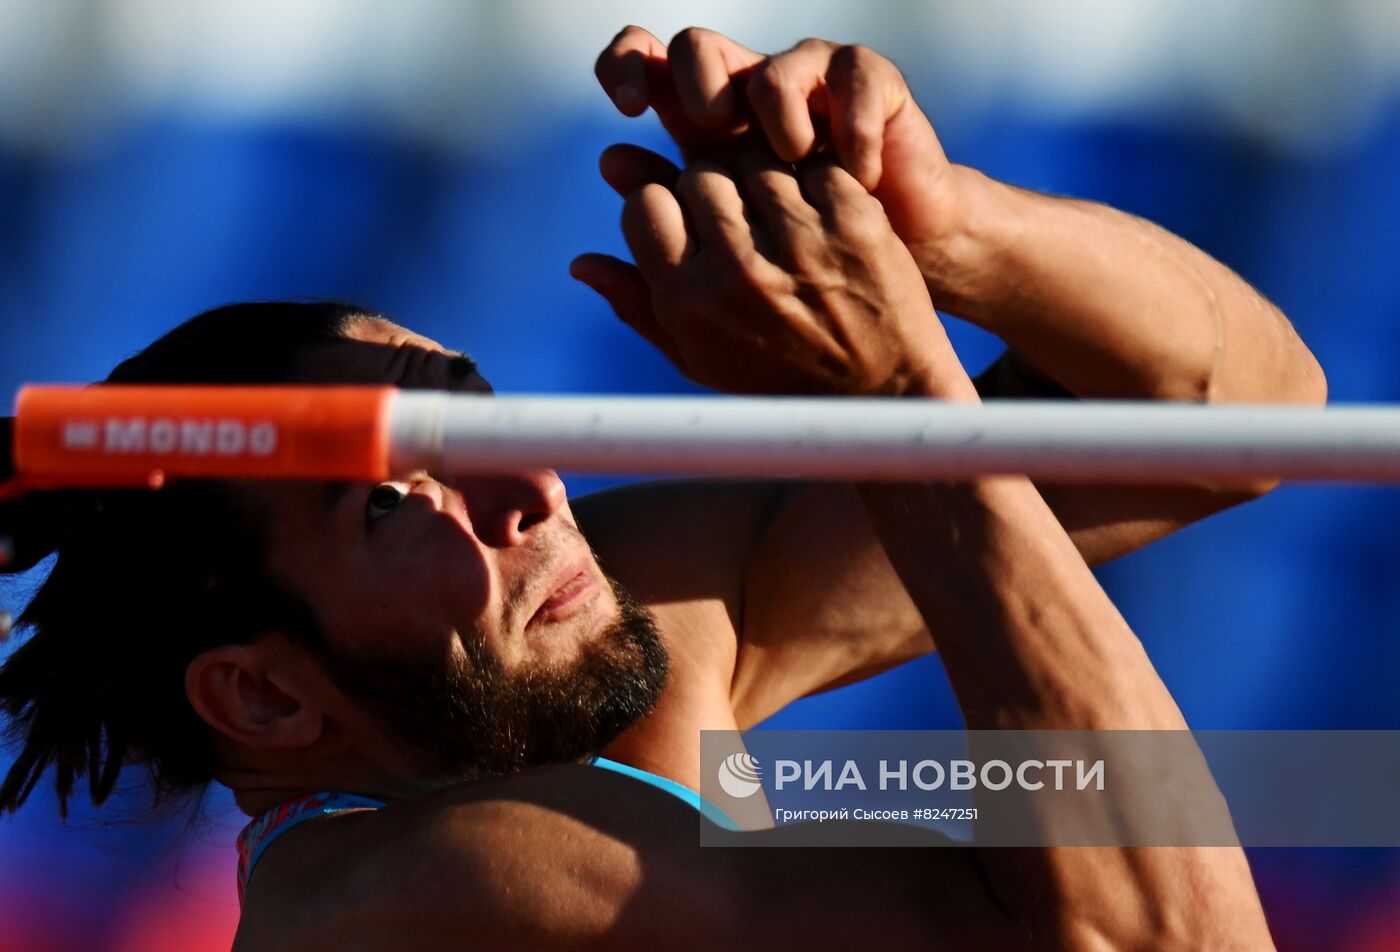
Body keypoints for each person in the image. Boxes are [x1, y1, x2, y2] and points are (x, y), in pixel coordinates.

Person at [0, 26, 1323, 950]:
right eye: (393, 505)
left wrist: (941, 232)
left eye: (472, 411)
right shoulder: (415, 892)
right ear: (265, 696)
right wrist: (901, 399)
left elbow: (1239, 418)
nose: (525, 492)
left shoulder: (589, 631)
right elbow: (1165, 939)